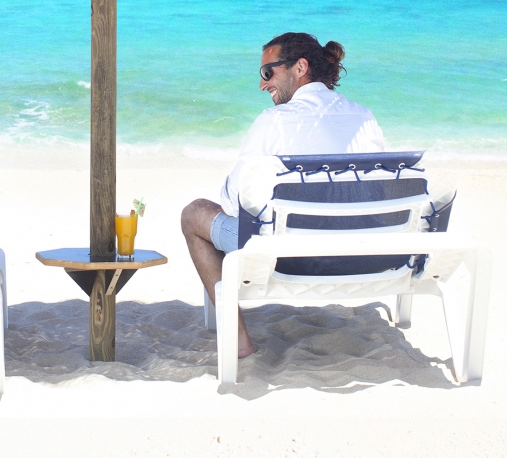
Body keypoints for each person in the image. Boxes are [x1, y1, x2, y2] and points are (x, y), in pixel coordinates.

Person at [179, 32, 454, 359]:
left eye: (268, 73)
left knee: (194, 213)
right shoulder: (364, 117)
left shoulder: (274, 121)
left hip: (289, 260)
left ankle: (237, 339)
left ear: (300, 67)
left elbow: (230, 202)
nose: (262, 84)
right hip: (371, 256)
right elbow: (378, 194)